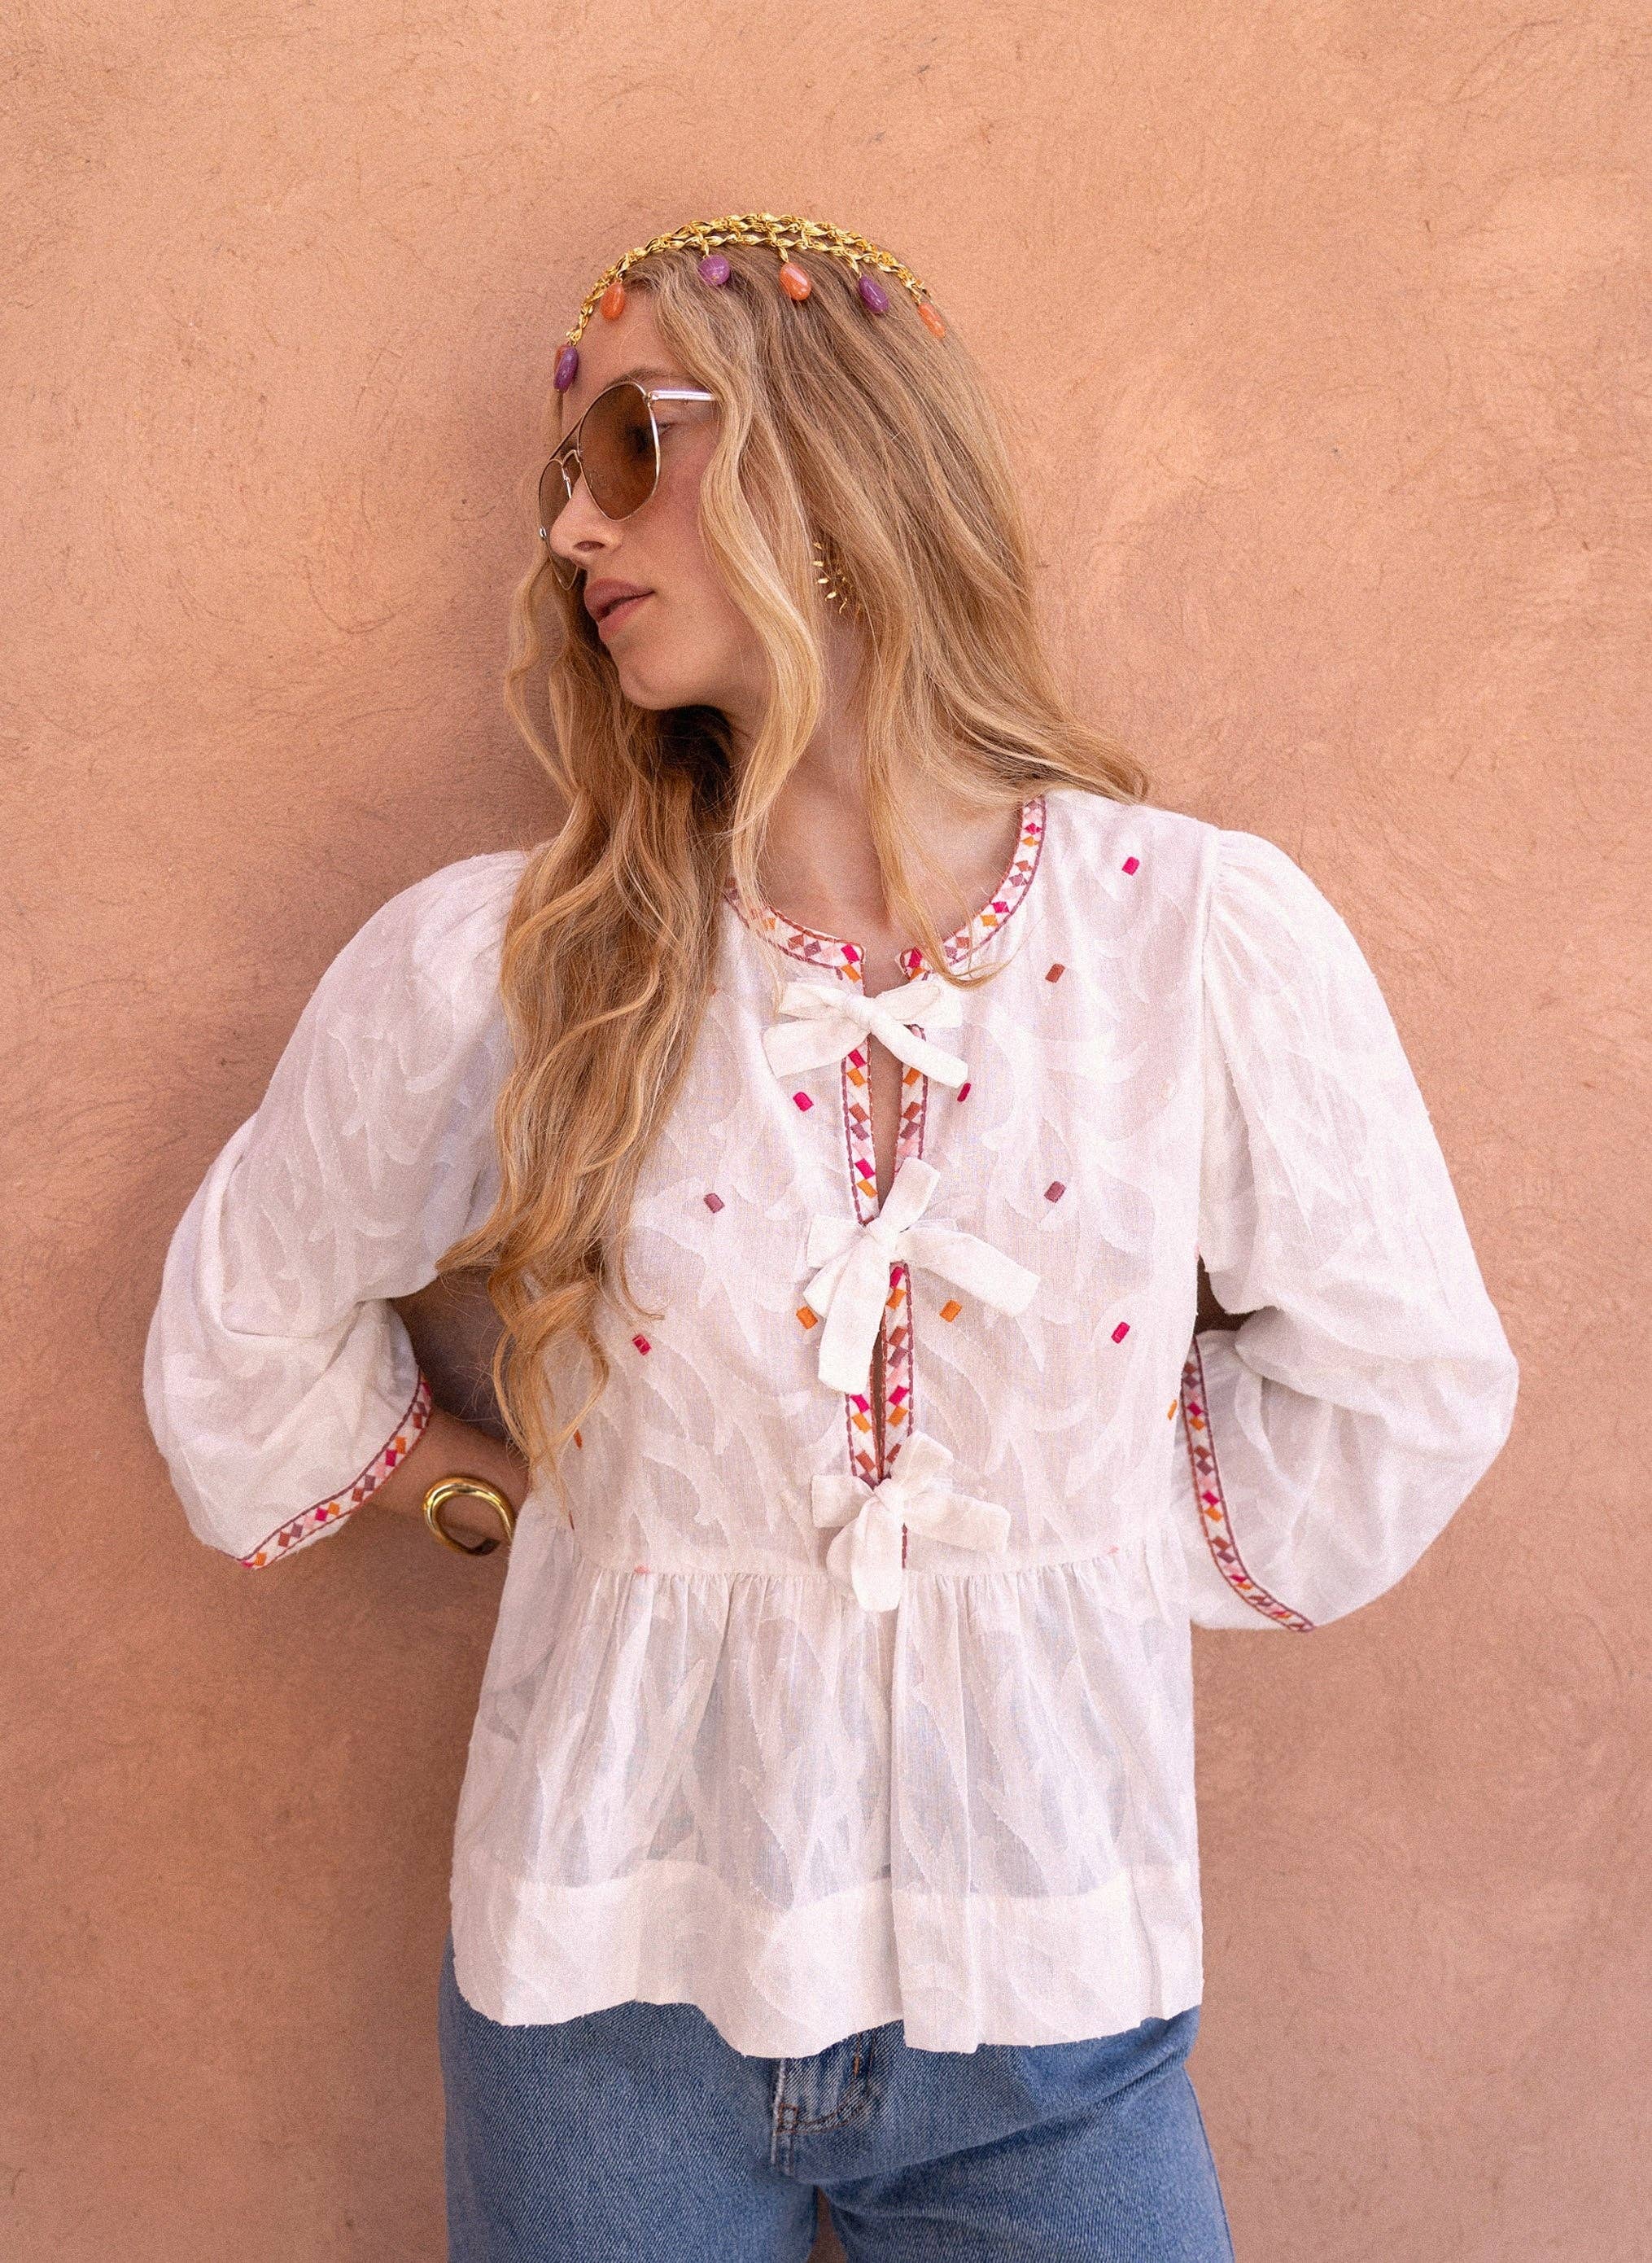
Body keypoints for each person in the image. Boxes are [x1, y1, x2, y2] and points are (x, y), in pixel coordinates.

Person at [142, 212, 1519, 2261]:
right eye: (563, 479)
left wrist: (1067, 1544)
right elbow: (244, 1332)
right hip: (600, 1992)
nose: (570, 530)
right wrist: (514, 1501)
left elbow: (1399, 1388)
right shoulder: (516, 960)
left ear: (829, 458)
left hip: (1047, 1995)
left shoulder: (1196, 940)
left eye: (631, 445)